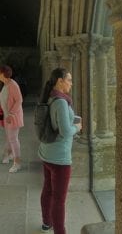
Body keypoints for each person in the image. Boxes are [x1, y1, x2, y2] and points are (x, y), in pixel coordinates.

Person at [38, 68, 82, 234]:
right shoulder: (61, 102)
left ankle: (46, 223)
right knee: (59, 200)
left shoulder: (50, 97)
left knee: (48, 190)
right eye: (69, 80)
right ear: (60, 81)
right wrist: (77, 127)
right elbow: (64, 131)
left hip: (46, 152)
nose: (71, 83)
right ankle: (60, 231)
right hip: (59, 158)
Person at [0, 65, 24, 173]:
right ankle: (8, 155)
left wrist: (11, 114)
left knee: (13, 139)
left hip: (12, 117)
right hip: (7, 116)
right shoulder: (6, 84)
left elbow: (19, 100)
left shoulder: (13, 85)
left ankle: (17, 163)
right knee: (10, 138)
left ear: (2, 74)